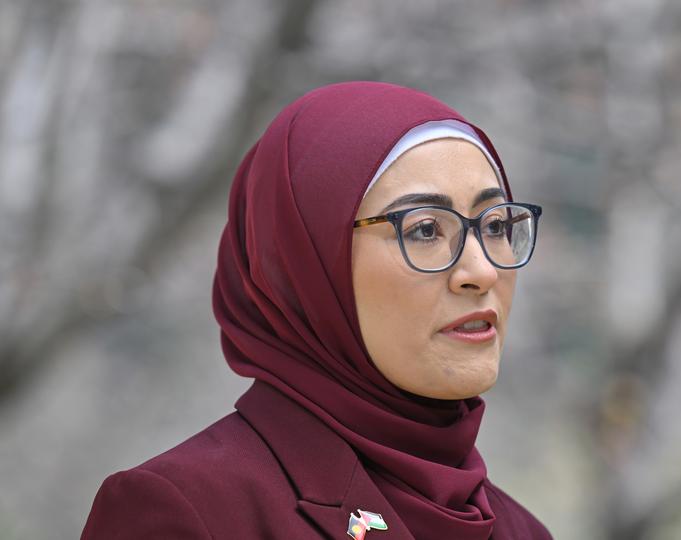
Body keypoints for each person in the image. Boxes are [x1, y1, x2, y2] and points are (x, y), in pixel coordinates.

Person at [80, 81, 552, 539]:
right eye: (426, 230)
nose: (482, 271)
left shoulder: (524, 531)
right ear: (307, 265)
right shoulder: (190, 512)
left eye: (494, 225)